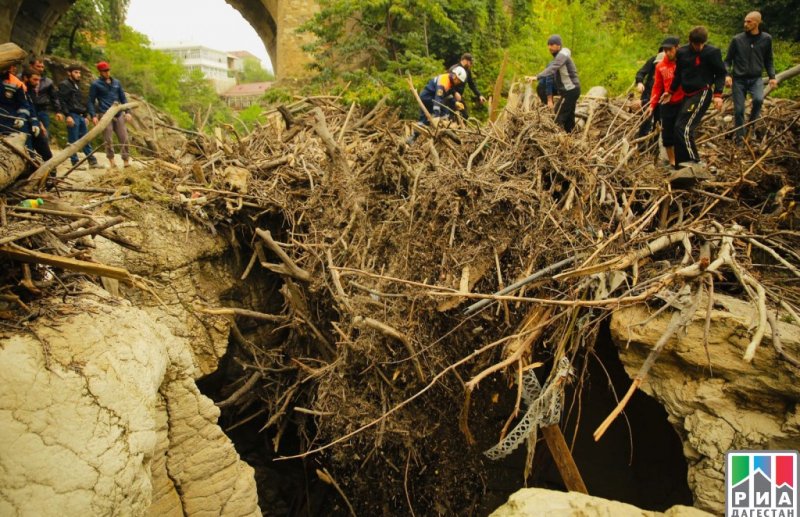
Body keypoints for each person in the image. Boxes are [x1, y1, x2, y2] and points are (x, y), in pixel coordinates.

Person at [660, 26, 726, 167]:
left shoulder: (712, 52)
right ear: (690, 41)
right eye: (696, 44)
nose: (699, 47)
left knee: (684, 127)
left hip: (702, 92)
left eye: (701, 44)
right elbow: (678, 74)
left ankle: (694, 161)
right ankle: (681, 162)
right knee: (678, 126)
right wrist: (670, 91)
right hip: (687, 94)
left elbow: (721, 73)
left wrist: (718, 94)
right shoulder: (682, 53)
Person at [724, 11, 777, 142]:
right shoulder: (737, 39)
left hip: (756, 78)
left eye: (749, 21)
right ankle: (740, 139)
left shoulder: (766, 39)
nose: (745, 24)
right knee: (739, 110)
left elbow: (769, 60)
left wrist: (772, 77)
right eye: (745, 21)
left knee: (759, 100)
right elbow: (727, 60)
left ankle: (750, 127)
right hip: (739, 79)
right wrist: (727, 75)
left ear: (757, 22)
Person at [88, 61, 133, 169]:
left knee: (124, 138)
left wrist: (128, 112)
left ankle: (126, 160)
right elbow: (90, 101)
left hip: (118, 113)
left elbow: (123, 98)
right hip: (105, 114)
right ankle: (112, 161)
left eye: (108, 70)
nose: (107, 73)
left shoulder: (116, 83)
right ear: (100, 72)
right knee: (108, 140)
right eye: (104, 71)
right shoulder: (95, 84)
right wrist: (93, 115)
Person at [532, 34, 581, 132]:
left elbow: (552, 68)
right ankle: (571, 136)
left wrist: (537, 76)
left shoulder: (561, 56)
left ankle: (558, 140)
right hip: (571, 90)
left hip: (570, 90)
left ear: (559, 46)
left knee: (558, 117)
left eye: (552, 44)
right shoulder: (559, 58)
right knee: (569, 116)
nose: (550, 47)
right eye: (549, 45)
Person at [646, 37, 682, 168]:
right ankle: (672, 162)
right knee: (667, 133)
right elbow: (657, 87)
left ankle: (682, 159)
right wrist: (652, 105)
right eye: (665, 50)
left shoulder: (682, 63)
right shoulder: (660, 66)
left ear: (677, 48)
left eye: (670, 50)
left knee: (680, 130)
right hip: (667, 102)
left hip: (682, 101)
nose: (668, 53)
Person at [57, 64, 98, 168]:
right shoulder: (65, 84)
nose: (79, 74)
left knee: (85, 139)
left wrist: (84, 115)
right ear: (69, 73)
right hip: (72, 115)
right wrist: (67, 115)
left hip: (80, 115)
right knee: (73, 140)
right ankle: (75, 162)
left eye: (79, 72)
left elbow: (79, 102)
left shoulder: (76, 85)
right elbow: (62, 101)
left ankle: (92, 161)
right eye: (76, 72)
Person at [20, 68, 53, 161]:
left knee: (45, 150)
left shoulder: (31, 91)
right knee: (28, 151)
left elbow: (33, 108)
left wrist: (39, 123)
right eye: (35, 80)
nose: (37, 83)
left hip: (34, 123)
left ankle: (51, 170)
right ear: (26, 78)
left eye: (38, 80)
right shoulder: (18, 89)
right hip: (22, 124)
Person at [633, 44, 663, 139]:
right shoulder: (653, 60)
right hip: (648, 93)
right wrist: (640, 82)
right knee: (646, 119)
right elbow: (641, 72)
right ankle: (641, 143)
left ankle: (655, 144)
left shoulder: (673, 65)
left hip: (662, 97)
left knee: (659, 120)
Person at [448, 53, 487, 119]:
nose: (471, 65)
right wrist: (454, 92)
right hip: (450, 96)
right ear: (465, 61)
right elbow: (447, 83)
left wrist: (479, 95)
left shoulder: (467, 71)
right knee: (451, 116)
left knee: (465, 116)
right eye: (470, 63)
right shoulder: (454, 69)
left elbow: (471, 84)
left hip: (459, 97)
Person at [0, 62, 35, 137]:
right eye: (13, 66)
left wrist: (21, 117)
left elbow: (24, 105)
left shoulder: (16, 83)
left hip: (7, 124)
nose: (15, 68)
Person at [28, 59, 60, 133]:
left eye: (42, 67)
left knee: (44, 134)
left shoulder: (48, 81)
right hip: (29, 108)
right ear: (31, 66)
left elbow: (54, 97)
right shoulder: (24, 78)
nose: (41, 69)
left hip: (42, 110)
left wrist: (58, 111)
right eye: (38, 66)